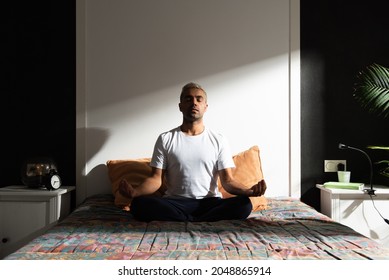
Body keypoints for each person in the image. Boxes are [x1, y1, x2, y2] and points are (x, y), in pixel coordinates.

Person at [119, 82, 267, 222]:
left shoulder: (218, 140)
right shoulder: (165, 139)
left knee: (244, 204)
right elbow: (155, 179)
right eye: (188, 99)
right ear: (180, 106)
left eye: (198, 99)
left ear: (205, 106)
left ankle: (187, 219)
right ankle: (199, 219)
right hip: (175, 203)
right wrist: (135, 192)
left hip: (209, 203)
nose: (194, 103)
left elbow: (227, 181)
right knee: (139, 204)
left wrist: (249, 191)